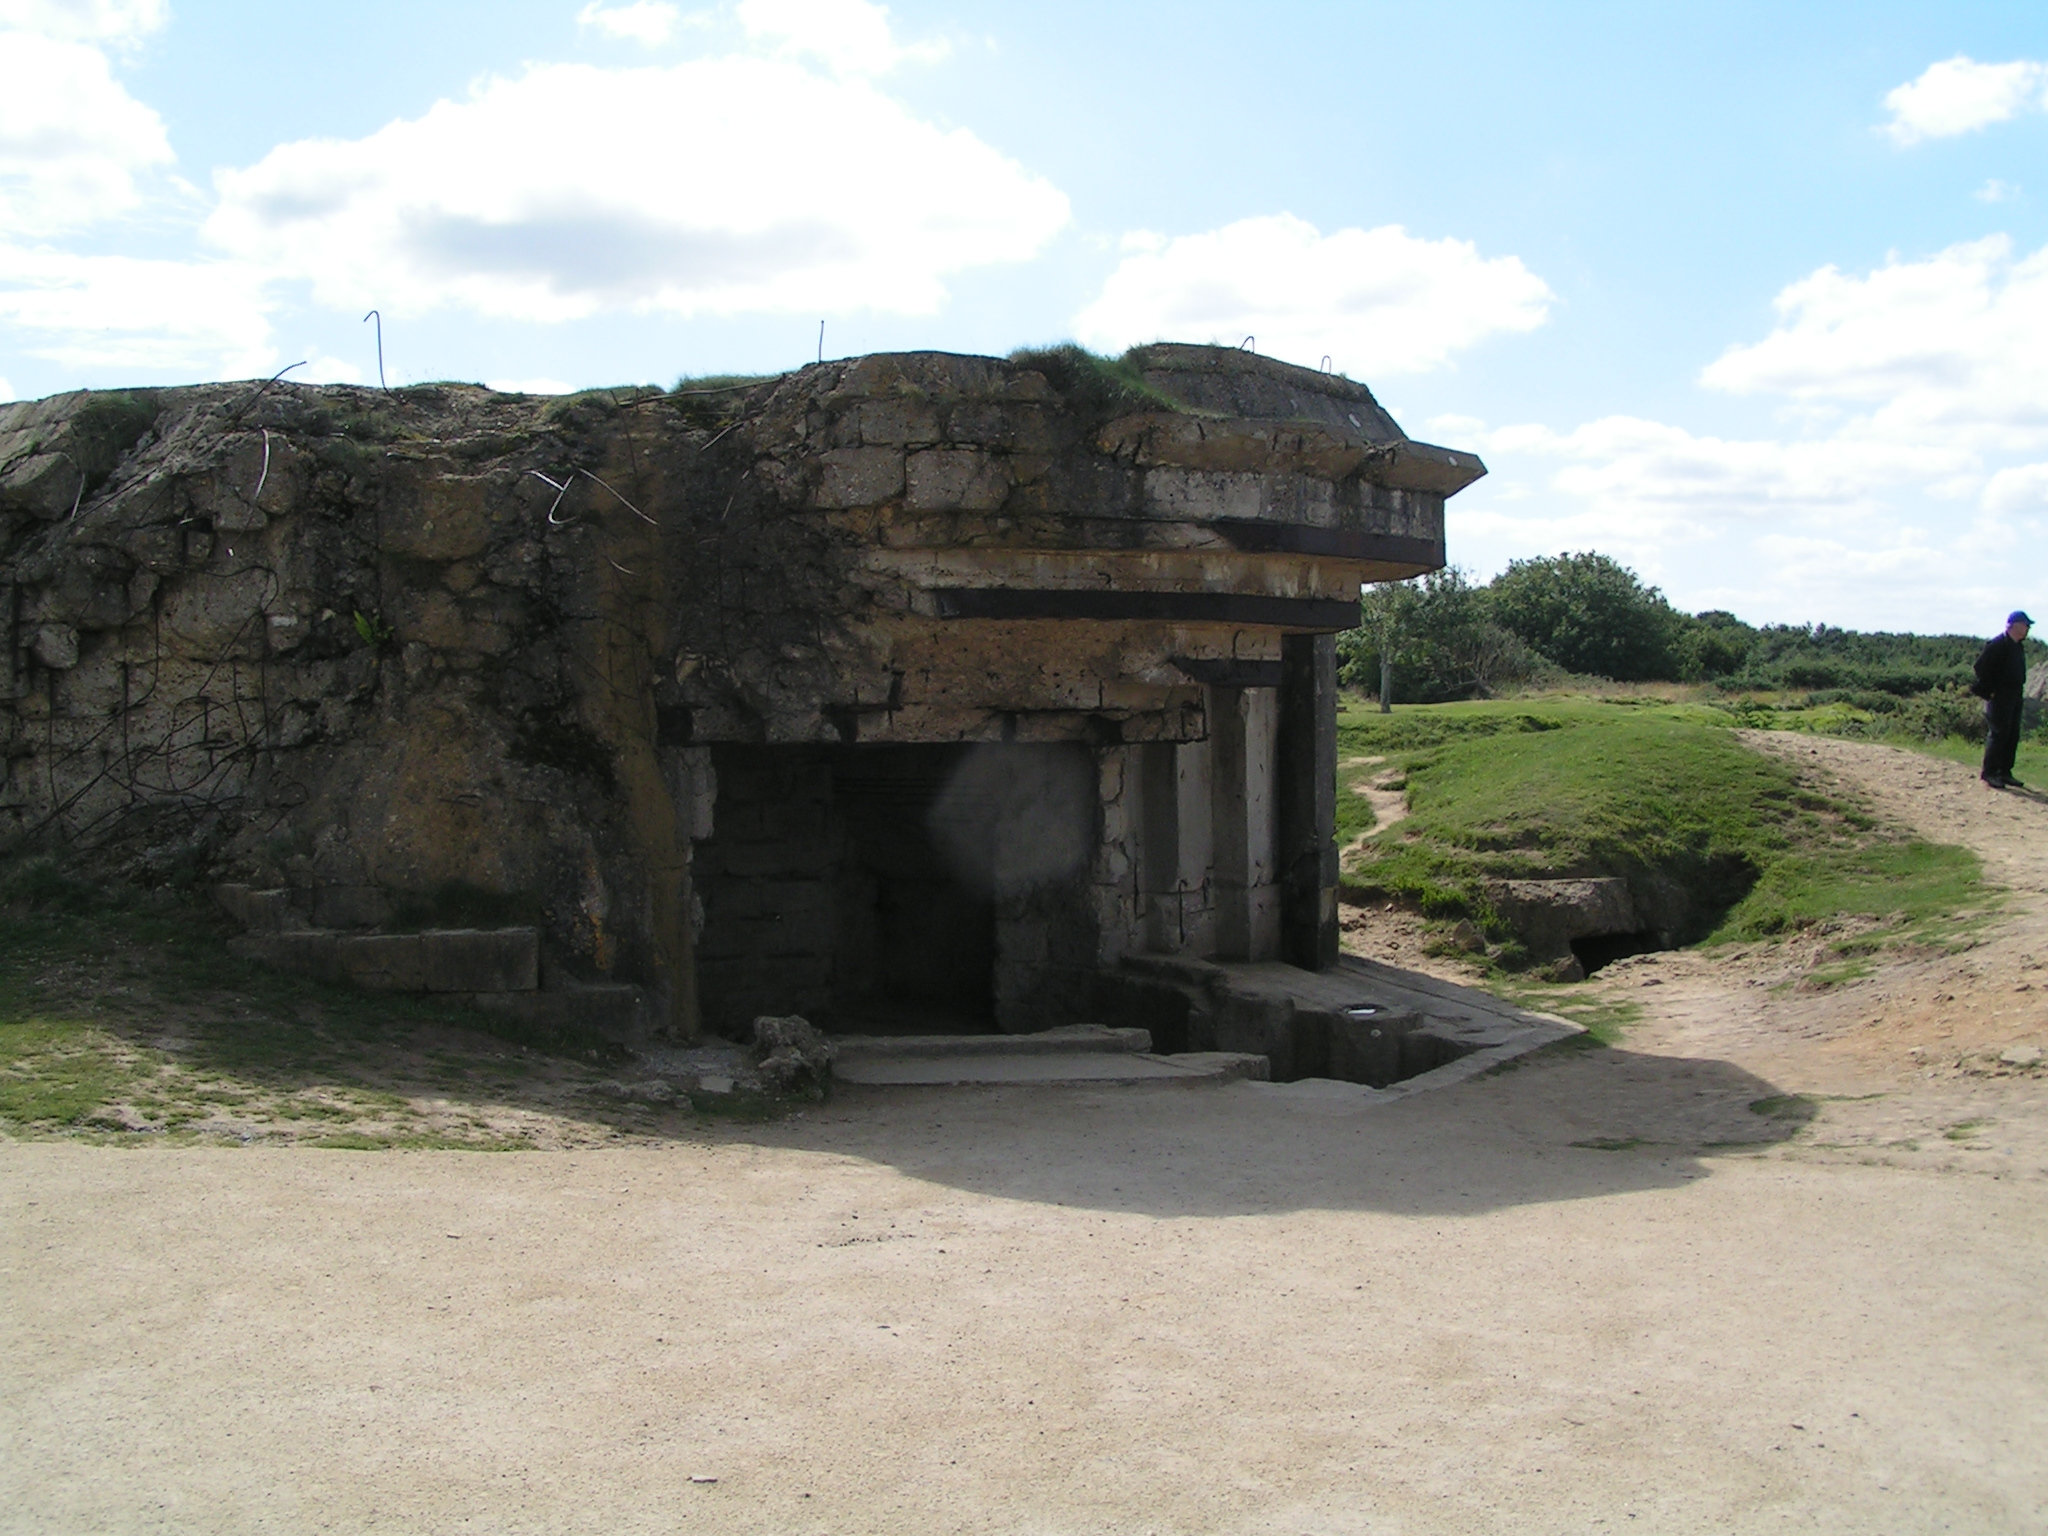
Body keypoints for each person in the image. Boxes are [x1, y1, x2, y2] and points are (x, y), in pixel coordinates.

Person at [1975, 610, 2032, 789]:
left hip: (2015, 694)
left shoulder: (2017, 645)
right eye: (2025, 624)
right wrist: (1990, 690)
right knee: (1999, 733)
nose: (2027, 628)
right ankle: (1990, 772)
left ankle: (2005, 771)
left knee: (2012, 734)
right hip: (2000, 695)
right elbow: (1980, 667)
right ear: (2013, 625)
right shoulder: (1997, 644)